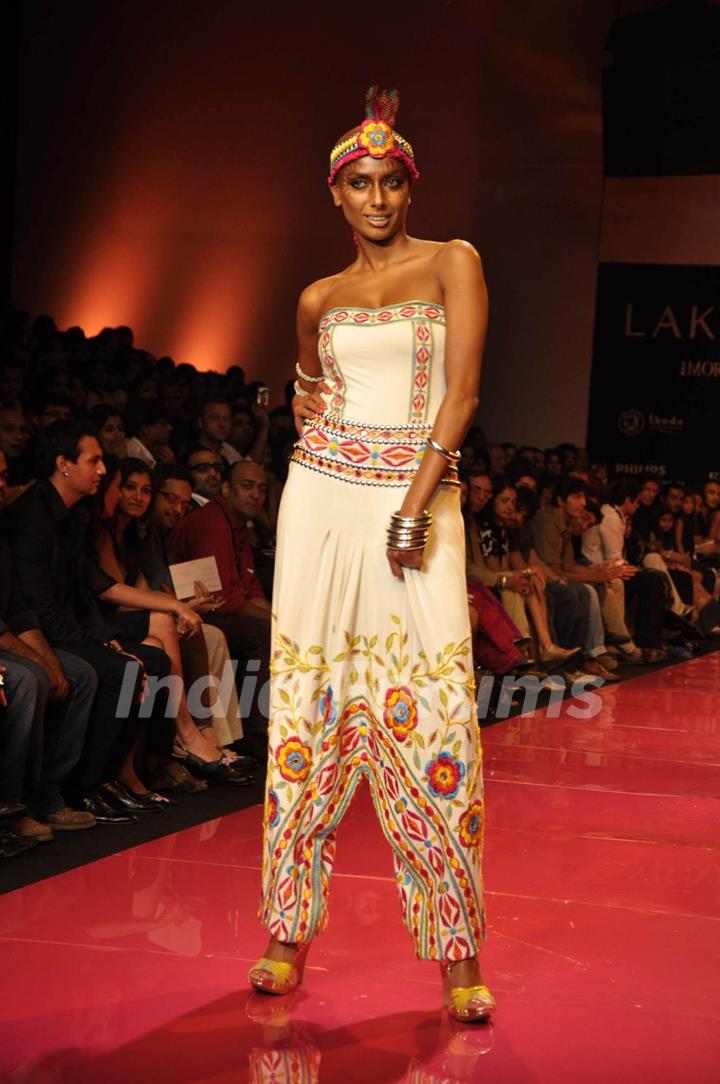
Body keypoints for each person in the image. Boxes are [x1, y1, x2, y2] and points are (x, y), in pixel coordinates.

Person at [250, 87, 494, 1023]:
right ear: (336, 195)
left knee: (435, 721)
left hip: (415, 504)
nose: (380, 198)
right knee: (303, 713)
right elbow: (309, 389)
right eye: (361, 183)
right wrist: (303, 402)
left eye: (393, 181)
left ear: (410, 188)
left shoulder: (453, 263)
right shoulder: (319, 296)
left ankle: (459, 956)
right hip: (320, 502)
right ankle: (284, 938)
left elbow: (461, 394)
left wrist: (415, 503)